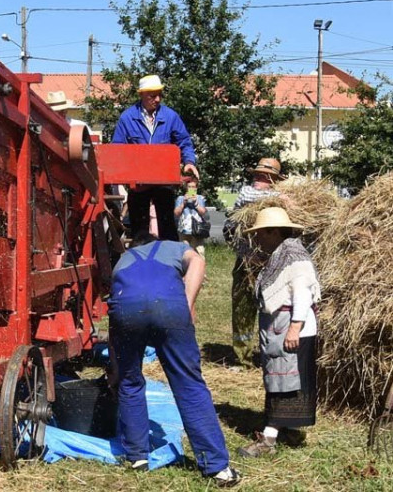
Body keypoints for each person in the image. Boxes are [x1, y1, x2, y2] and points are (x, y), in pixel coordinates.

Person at [108, 231, 241, 486]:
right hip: (168, 305)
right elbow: (198, 262)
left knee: (130, 382)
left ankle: (137, 456)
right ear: (154, 242)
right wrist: (187, 304)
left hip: (126, 310)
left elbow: (115, 313)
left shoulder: (122, 260)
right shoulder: (173, 246)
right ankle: (216, 467)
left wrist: (117, 367)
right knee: (188, 383)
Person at [238, 207, 319, 457]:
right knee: (286, 382)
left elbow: (303, 293)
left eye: (262, 233)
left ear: (274, 232)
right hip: (281, 327)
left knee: (284, 382)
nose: (259, 238)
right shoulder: (280, 254)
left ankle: (269, 439)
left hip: (293, 328)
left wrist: (294, 328)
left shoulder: (294, 257)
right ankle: (291, 429)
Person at [112, 75, 198, 242]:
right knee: (139, 232)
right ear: (141, 95)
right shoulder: (127, 117)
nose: (157, 99)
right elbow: (117, 148)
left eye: (159, 95)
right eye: (152, 95)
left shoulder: (171, 116)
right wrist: (121, 173)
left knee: (168, 228)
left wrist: (189, 162)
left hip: (164, 180)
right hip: (138, 182)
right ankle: (141, 262)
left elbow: (184, 141)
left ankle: (170, 263)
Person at [228, 158, 283, 366]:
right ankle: (242, 356)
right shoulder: (247, 193)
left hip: (271, 264)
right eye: (257, 174)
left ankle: (270, 352)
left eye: (264, 176)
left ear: (274, 180)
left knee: (273, 308)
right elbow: (251, 198)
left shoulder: (279, 198)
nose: (258, 178)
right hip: (246, 261)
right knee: (243, 308)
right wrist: (280, 198)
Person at [174, 178, 208, 258]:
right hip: (184, 230)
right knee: (184, 253)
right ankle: (185, 269)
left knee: (199, 252)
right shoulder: (180, 198)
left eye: (193, 187)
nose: (191, 189)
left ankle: (200, 269)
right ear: (186, 187)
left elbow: (203, 212)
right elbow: (176, 213)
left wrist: (196, 203)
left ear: (196, 188)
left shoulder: (200, 198)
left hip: (197, 230)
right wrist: (183, 203)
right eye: (189, 187)